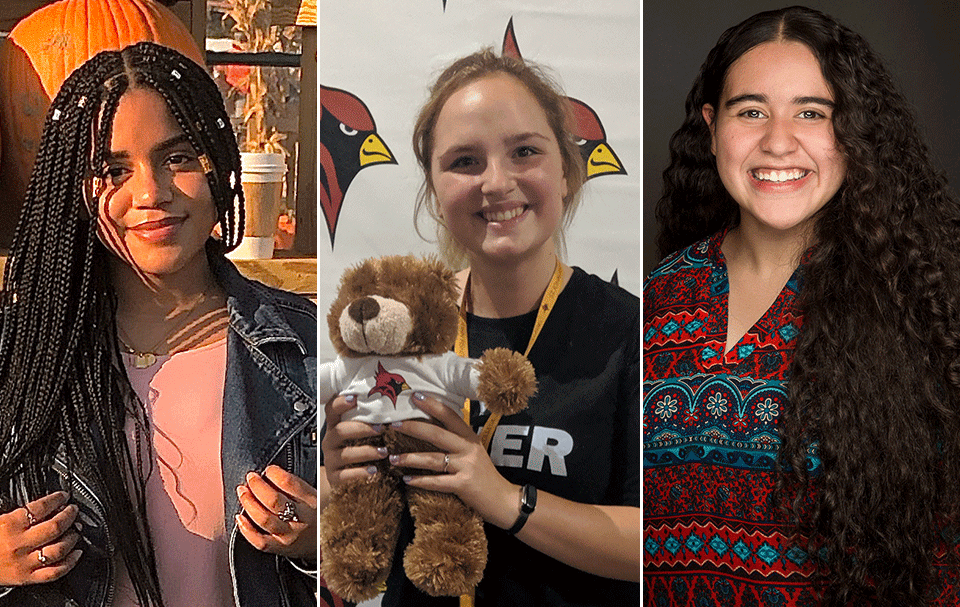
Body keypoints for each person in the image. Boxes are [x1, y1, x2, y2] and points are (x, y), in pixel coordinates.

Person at [645, 5, 960, 606]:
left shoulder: (919, 310)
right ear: (712, 128)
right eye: (752, 111)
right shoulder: (657, 298)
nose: (778, 141)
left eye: (812, 113)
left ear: (855, 135)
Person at [319, 48, 641, 605]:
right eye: (464, 161)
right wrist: (335, 476)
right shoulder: (403, 327)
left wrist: (504, 499)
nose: (496, 182)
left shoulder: (630, 331)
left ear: (565, 169)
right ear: (435, 188)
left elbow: (657, 544)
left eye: (524, 152)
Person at [0, 42, 318, 606]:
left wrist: (323, 539)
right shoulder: (21, 353)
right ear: (71, 189)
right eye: (113, 170)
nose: (151, 193)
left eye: (178, 158)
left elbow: (405, 545)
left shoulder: (307, 348)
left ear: (219, 160)